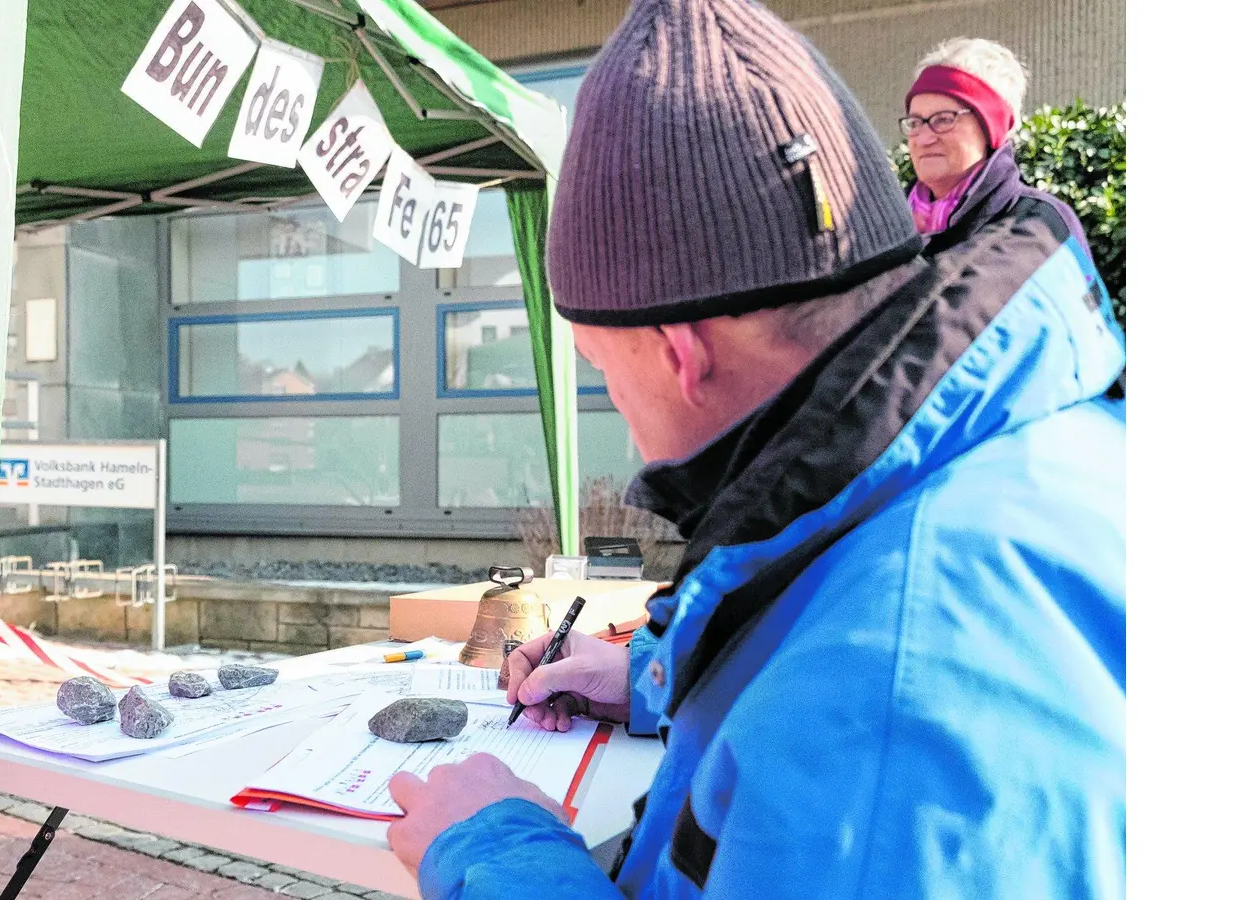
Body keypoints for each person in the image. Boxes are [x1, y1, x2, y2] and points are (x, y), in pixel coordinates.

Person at [383, 1, 1126, 898]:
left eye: (602, 368)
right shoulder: (1007, 459)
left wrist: (498, 856)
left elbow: (859, 717)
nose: (618, 414)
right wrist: (656, 676)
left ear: (678, 353)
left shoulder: (886, 693)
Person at [903, 37, 1089, 257]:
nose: (923, 138)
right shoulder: (884, 226)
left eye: (944, 119)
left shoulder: (1038, 226)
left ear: (991, 129)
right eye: (915, 123)